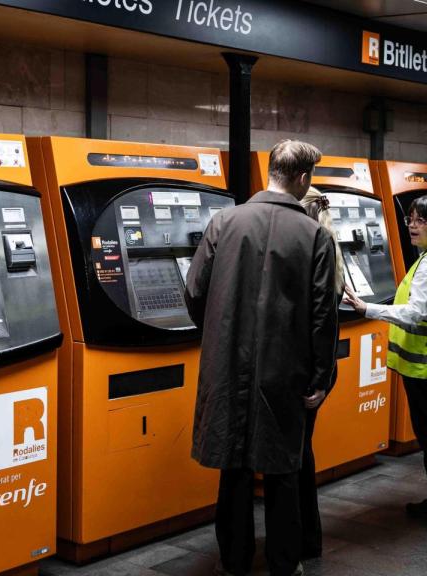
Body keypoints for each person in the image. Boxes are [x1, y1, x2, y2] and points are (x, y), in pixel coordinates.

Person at [185, 140, 338, 576]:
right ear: (304, 178)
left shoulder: (223, 222)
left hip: (227, 365)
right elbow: (322, 314)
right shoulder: (315, 236)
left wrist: (219, 335)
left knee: (232, 467)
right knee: (282, 467)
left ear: (271, 170)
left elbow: (194, 292)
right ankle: (284, 563)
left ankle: (233, 560)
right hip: (285, 369)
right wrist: (321, 375)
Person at [343, 195, 427, 522]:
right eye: (410, 220)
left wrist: (367, 309)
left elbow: (416, 314)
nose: (412, 227)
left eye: (420, 222)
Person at [296, 186, 346, 559]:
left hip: (306, 372)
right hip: (320, 370)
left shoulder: (312, 250)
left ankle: (305, 540)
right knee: (302, 453)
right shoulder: (331, 246)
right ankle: (309, 539)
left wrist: (317, 379)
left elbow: (317, 322)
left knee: (296, 459)